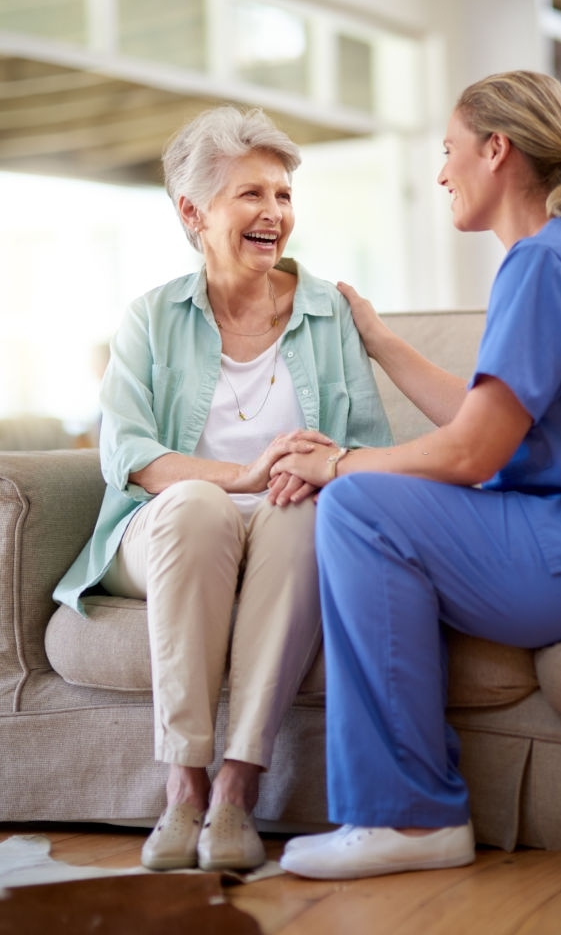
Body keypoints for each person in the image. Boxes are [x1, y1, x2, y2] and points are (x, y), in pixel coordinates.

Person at [269, 70, 561, 880]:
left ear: (496, 151)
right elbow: (486, 416)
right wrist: (382, 340)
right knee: (365, 498)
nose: (439, 173)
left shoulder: (541, 264)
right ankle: (409, 813)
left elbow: (471, 455)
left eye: (448, 149)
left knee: (359, 505)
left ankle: (410, 819)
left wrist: (339, 462)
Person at [53, 105, 392, 873]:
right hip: (168, 524)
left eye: (282, 195)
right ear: (193, 211)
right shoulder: (151, 316)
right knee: (202, 506)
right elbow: (131, 455)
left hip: (282, 521)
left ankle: (236, 789)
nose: (275, 213)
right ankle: (183, 787)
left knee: (301, 514)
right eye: (252, 194)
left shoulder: (327, 312)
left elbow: (369, 440)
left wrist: (321, 462)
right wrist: (237, 474)